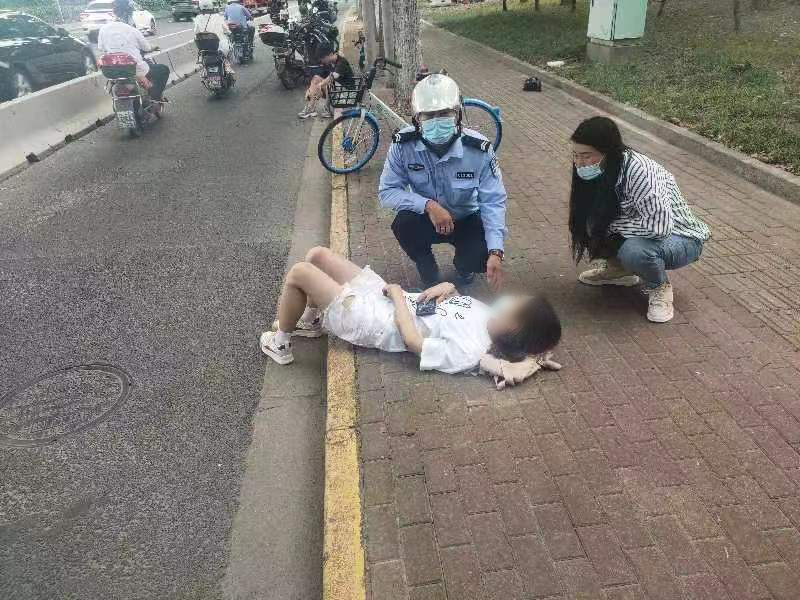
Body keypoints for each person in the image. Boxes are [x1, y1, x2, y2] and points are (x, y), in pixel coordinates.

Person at [259, 247, 562, 381]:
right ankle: (311, 321)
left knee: (300, 272)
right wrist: (449, 287)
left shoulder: (470, 352)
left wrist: (396, 296)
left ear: (514, 327)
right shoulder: (487, 315)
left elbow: (414, 342)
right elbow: (458, 307)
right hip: (390, 298)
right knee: (317, 256)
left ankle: (280, 343)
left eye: (515, 305)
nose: (509, 299)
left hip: (374, 320)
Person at [569, 116, 710, 323]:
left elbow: (660, 227)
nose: (580, 163)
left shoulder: (640, 171)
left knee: (633, 250)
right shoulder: (600, 169)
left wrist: (610, 226)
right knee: (589, 221)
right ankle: (619, 271)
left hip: (681, 237)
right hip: (643, 229)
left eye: (586, 156)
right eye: (575, 155)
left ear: (608, 152)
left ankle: (659, 288)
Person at [378, 74, 507, 291]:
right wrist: (429, 205)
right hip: (426, 218)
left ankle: (464, 267)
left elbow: (493, 201)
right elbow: (387, 192)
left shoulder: (479, 149)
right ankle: (426, 264)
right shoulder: (402, 146)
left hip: (466, 218)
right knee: (403, 223)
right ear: (417, 118)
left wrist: (496, 251)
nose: (437, 120)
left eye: (445, 113)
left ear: (458, 114)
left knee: (480, 255)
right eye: (429, 115)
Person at [98, 0, 169, 105]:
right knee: (163, 70)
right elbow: (146, 48)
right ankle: (155, 97)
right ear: (129, 13)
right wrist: (154, 47)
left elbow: (101, 48)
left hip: (113, 72)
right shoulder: (132, 30)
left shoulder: (103, 29)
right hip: (134, 70)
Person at [298, 44, 355, 119]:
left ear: (330, 54)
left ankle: (323, 109)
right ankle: (311, 108)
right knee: (316, 78)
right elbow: (318, 79)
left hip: (346, 97)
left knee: (327, 82)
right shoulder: (330, 63)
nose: (322, 61)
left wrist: (320, 85)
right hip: (338, 94)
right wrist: (310, 91)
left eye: (323, 58)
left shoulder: (342, 62)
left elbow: (333, 76)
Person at [194, 0, 235, 75]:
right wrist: (230, 33)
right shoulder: (218, 17)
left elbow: (196, 32)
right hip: (219, 45)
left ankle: (205, 70)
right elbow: (226, 29)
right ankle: (227, 66)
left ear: (200, 8)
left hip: (204, 46)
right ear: (211, 7)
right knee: (229, 49)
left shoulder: (197, 18)